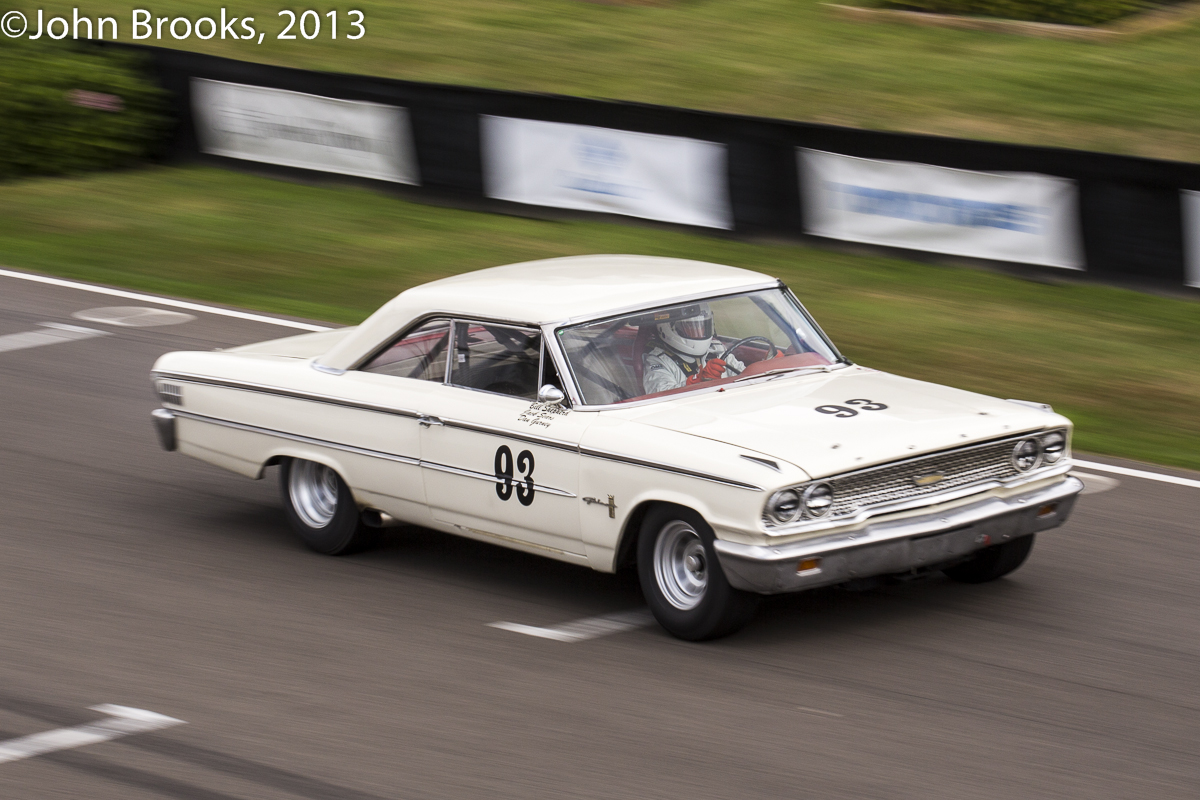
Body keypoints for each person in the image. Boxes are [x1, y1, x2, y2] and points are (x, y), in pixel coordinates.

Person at [642, 304, 744, 394]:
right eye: (690, 326)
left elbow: (744, 375)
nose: (699, 330)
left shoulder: (717, 349)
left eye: (703, 325)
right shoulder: (658, 360)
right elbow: (660, 394)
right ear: (669, 327)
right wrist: (697, 382)